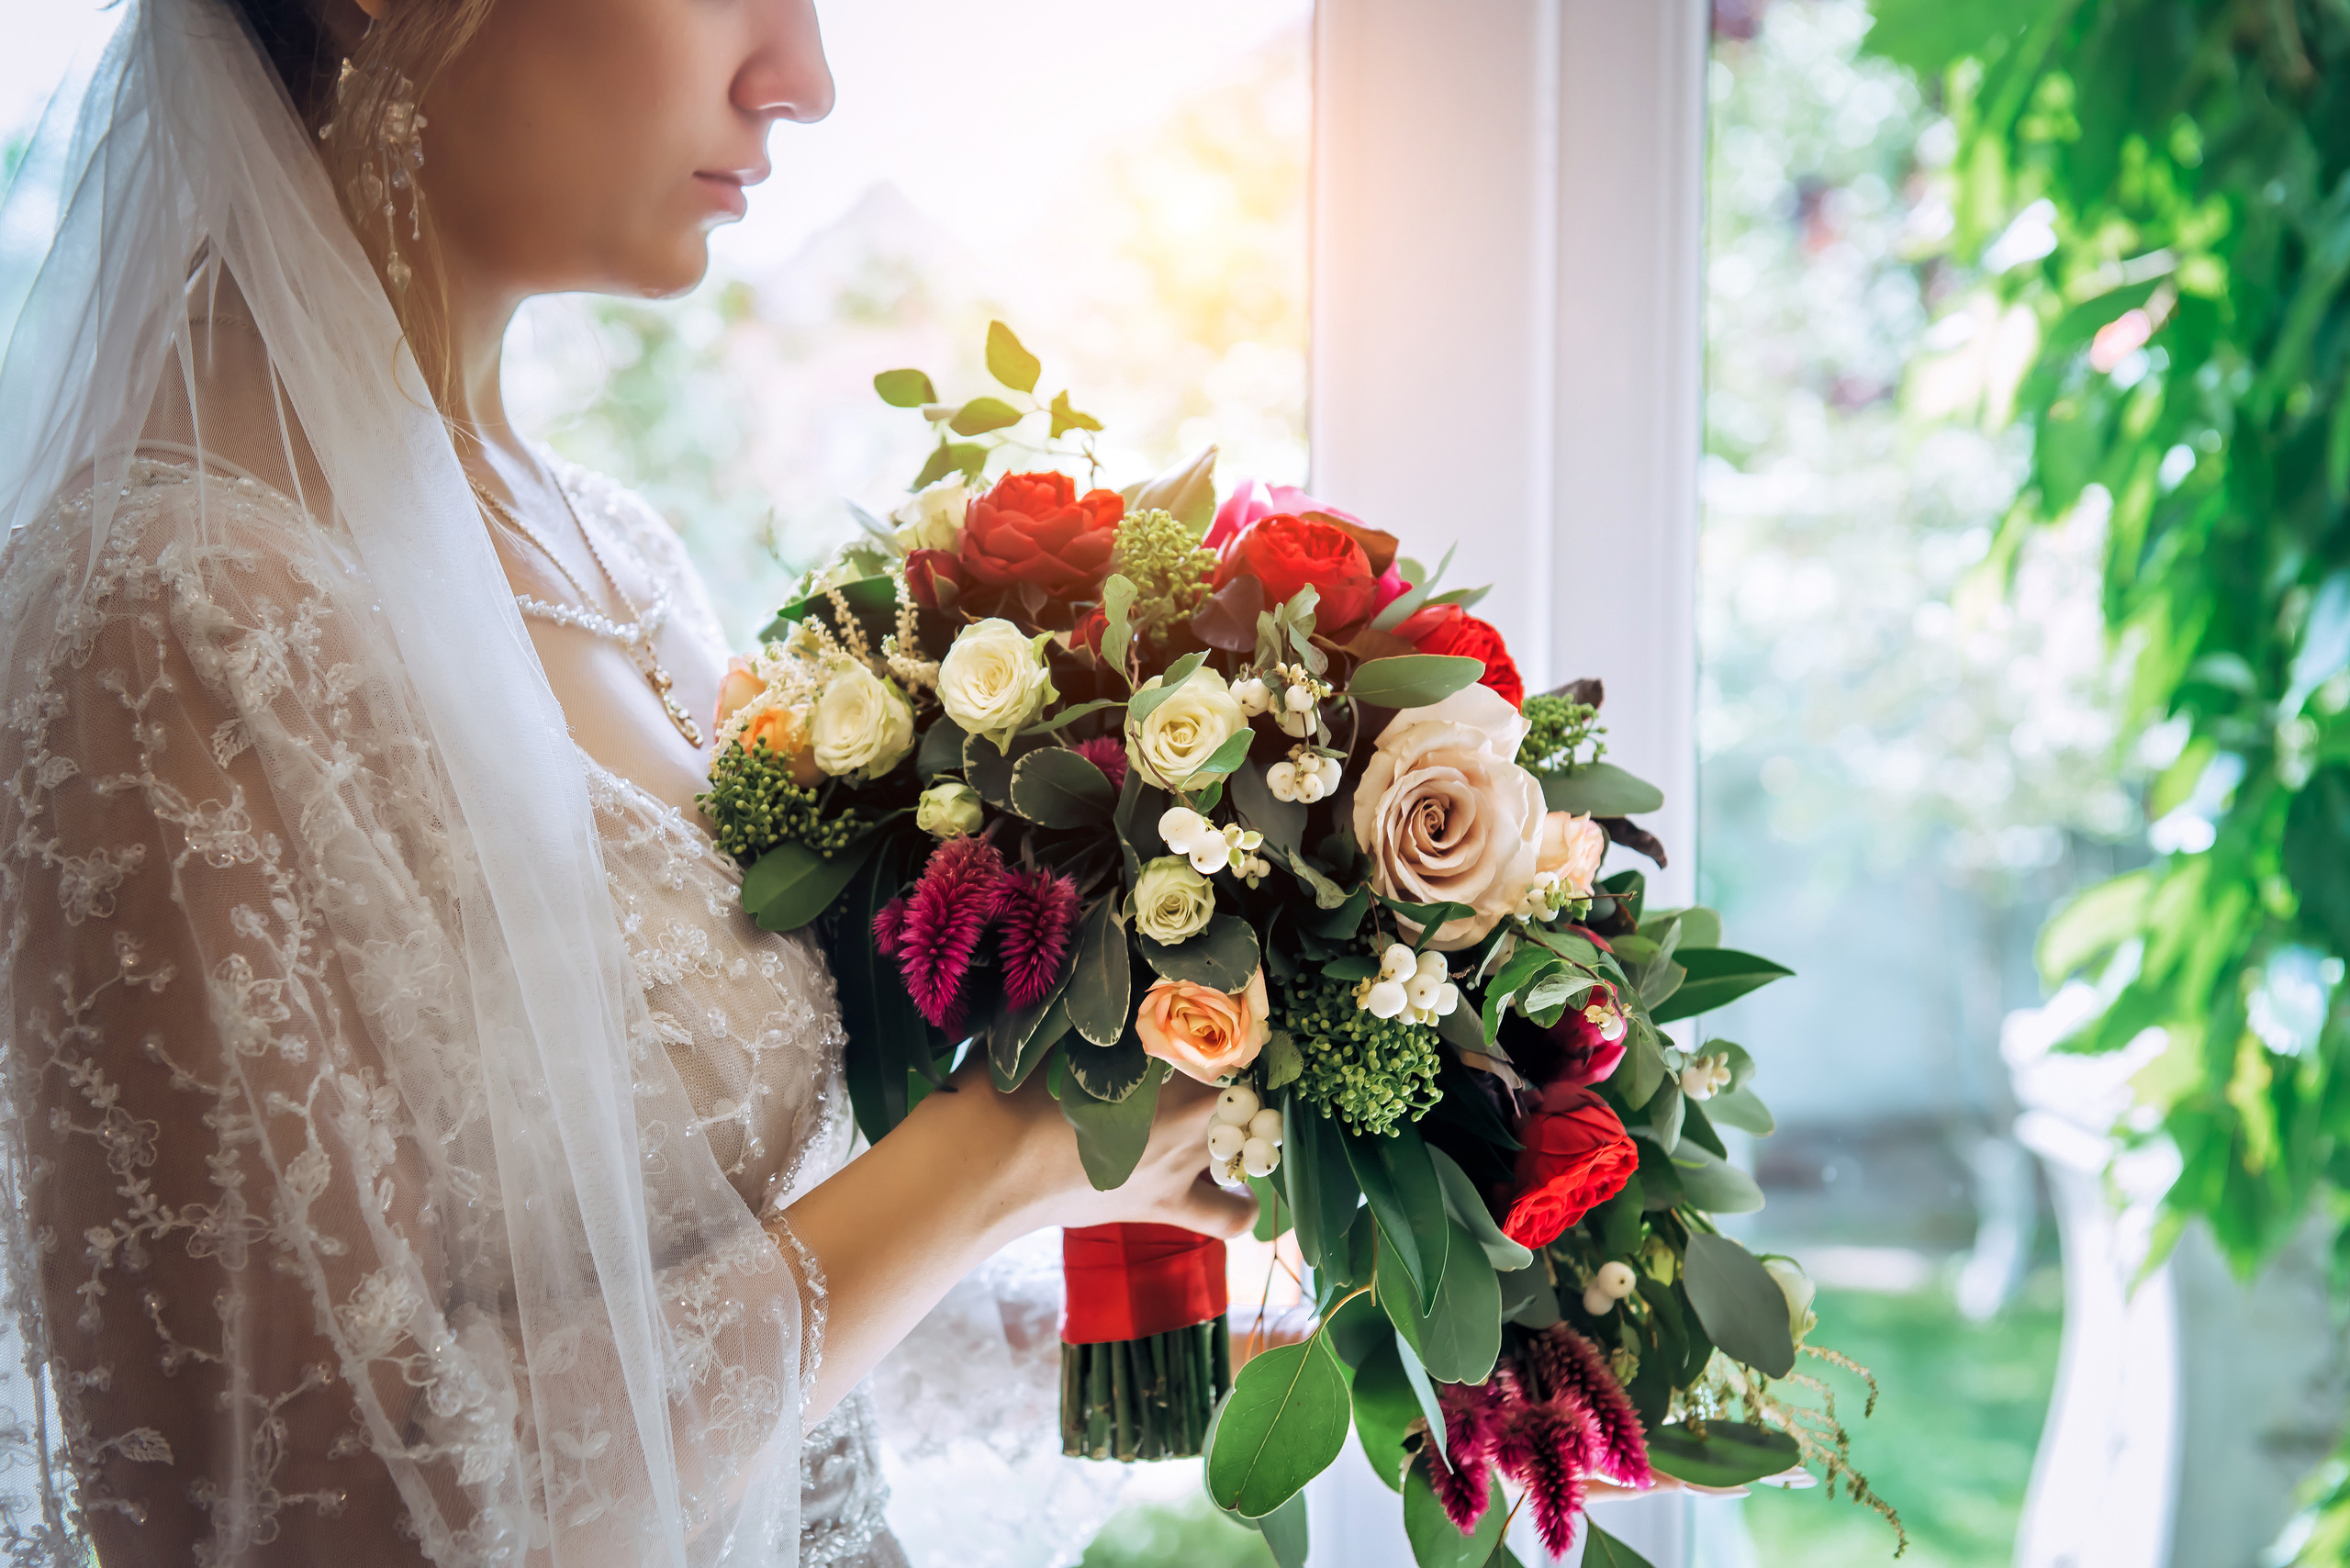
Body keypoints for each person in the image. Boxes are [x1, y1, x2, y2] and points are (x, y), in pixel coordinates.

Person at [0, 0, 1254, 1562]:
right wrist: (984, 1163)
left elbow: (680, 1291)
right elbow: (315, 1501)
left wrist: (1188, 1274)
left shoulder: (619, 552)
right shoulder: (160, 616)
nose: (801, 79)